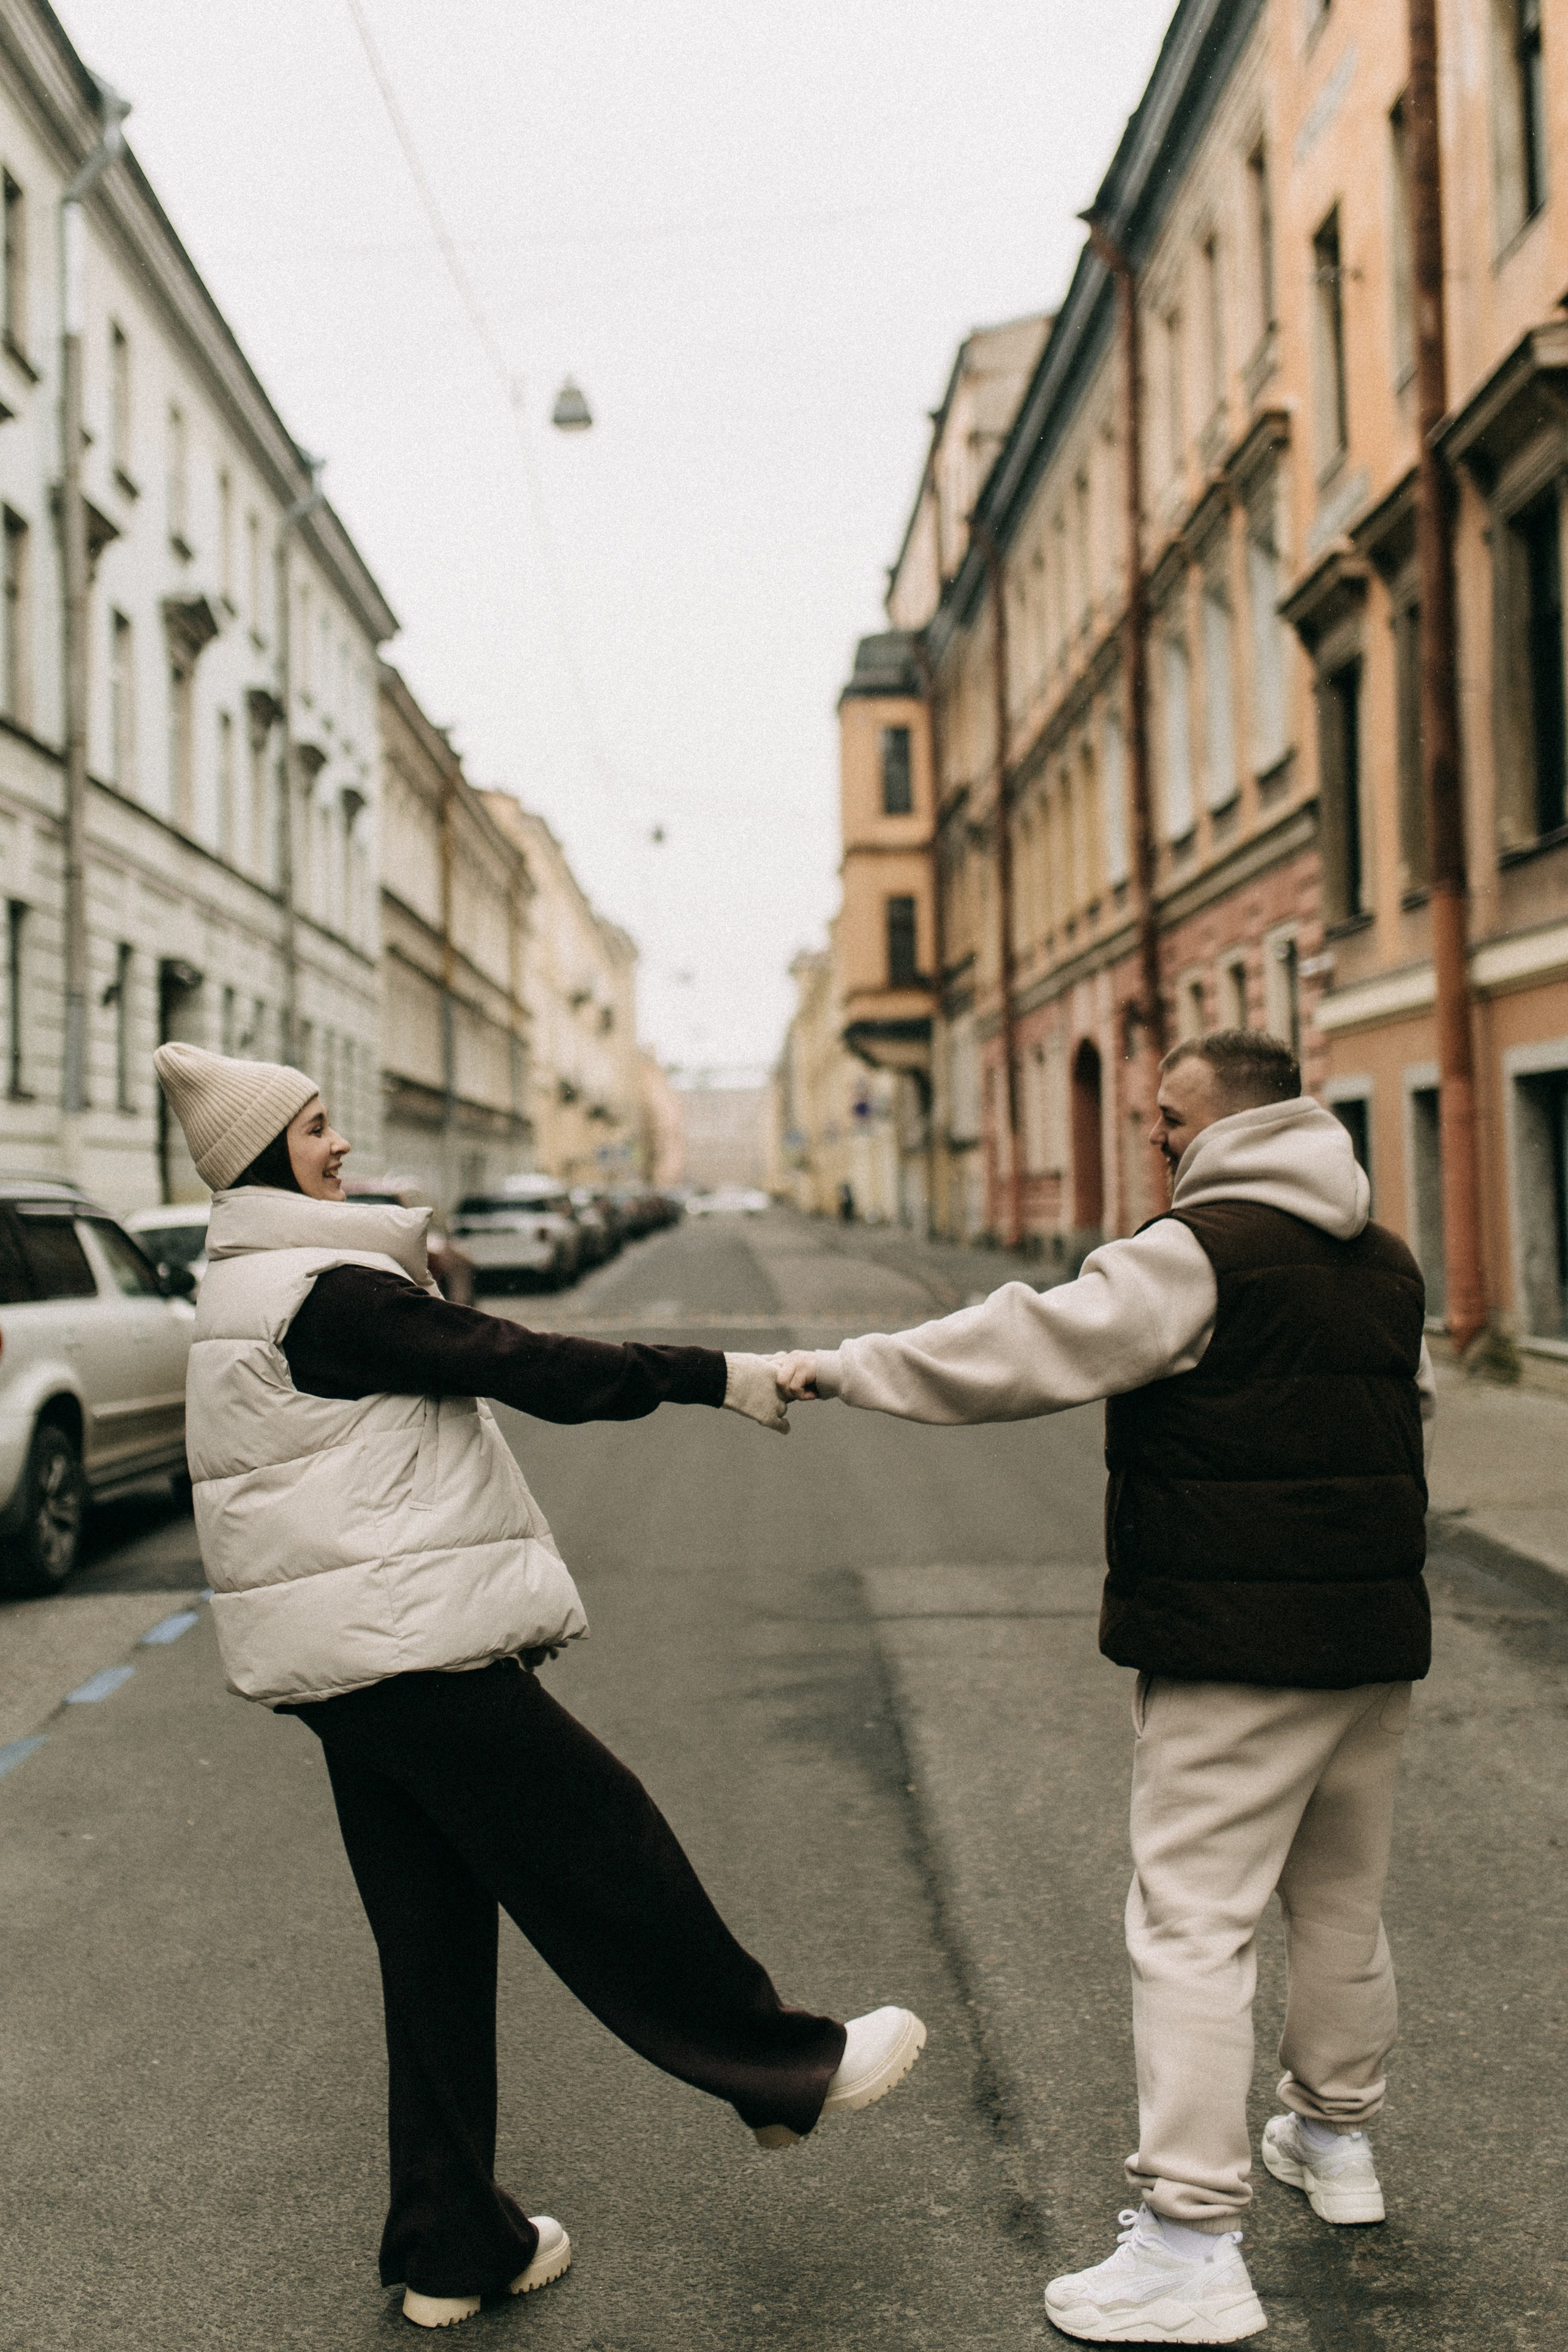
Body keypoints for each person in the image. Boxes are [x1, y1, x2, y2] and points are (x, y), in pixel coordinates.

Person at [153, 1042, 924, 2332]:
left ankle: (453, 2247)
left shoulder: (244, 1287)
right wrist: (718, 1375)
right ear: (262, 1156)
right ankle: (782, 2067)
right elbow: (528, 1361)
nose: (340, 1146)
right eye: (316, 1128)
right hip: (404, 1651)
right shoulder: (324, 1293)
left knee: (434, 1946)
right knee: (599, 1841)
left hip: (346, 1666)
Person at [774, 1030, 1433, 2346]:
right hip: (1368, 1634)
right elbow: (1403, 1414)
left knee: (1190, 1924)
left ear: (1229, 1125)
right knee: (1338, 1903)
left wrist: (843, 1365)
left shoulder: (1196, 1250)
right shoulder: (1386, 1260)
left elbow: (1027, 1345)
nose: (1154, 1138)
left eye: (1168, 1118)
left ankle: (1190, 2245)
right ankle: (1334, 2140)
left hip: (1233, 1641)